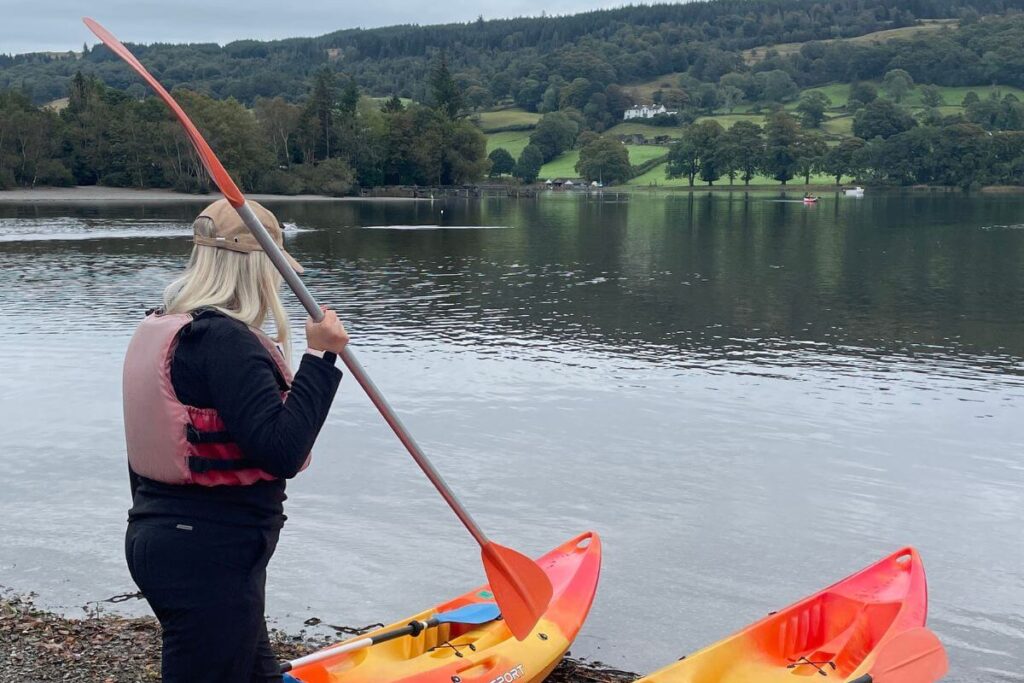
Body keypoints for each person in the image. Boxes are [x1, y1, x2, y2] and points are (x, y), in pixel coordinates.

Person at [122, 199, 348, 682]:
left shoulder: (171, 327)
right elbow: (281, 450)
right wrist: (320, 357)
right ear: (258, 270)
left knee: (253, 674)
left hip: (163, 540)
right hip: (208, 554)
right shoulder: (226, 342)